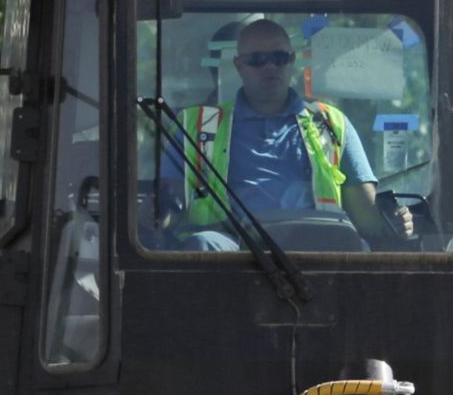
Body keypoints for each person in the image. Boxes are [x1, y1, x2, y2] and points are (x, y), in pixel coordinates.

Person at [162, 17, 415, 249]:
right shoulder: (196, 125)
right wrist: (156, 215)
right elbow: (168, 204)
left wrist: (396, 222)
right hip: (234, 246)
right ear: (239, 65)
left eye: (279, 57)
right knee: (203, 244)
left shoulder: (332, 122)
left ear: (292, 61)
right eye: (257, 60)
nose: (269, 67)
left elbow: (368, 220)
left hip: (317, 245)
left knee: (356, 247)